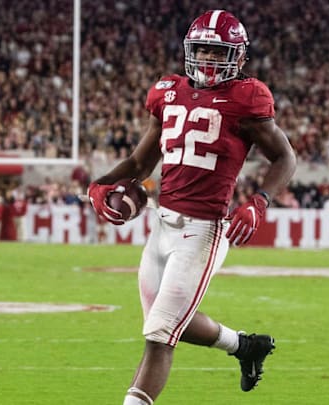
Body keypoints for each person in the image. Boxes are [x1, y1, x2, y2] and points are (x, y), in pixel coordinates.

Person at [86, 10, 296, 405]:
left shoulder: (247, 98)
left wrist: (259, 201)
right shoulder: (168, 91)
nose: (208, 59)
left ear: (238, 57)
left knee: (159, 336)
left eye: (217, 52)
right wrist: (98, 185)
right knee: (164, 325)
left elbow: (285, 157)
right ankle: (245, 346)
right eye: (201, 49)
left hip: (203, 232)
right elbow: (137, 164)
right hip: (161, 226)